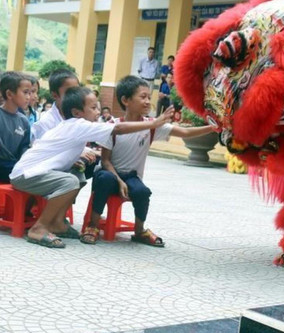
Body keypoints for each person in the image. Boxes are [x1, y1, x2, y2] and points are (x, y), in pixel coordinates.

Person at [10, 86, 172, 248]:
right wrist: (154, 123)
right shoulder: (78, 125)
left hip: (32, 173)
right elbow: (118, 129)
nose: (98, 112)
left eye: (99, 108)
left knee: (78, 176)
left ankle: (58, 222)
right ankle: (39, 228)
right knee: (70, 181)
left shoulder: (72, 126)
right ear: (76, 112)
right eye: (93, 108)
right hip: (25, 175)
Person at [81, 76, 213, 246]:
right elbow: (105, 161)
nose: (147, 101)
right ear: (125, 100)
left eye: (149, 97)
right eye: (142, 97)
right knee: (104, 180)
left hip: (132, 177)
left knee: (143, 192)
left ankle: (139, 231)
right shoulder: (113, 125)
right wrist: (119, 181)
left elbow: (185, 133)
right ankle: (93, 225)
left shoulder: (152, 125)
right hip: (110, 173)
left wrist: (213, 127)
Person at [31, 69, 80, 142]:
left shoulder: (79, 116)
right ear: (54, 95)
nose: (75, 95)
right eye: (69, 92)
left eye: (77, 91)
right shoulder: (45, 123)